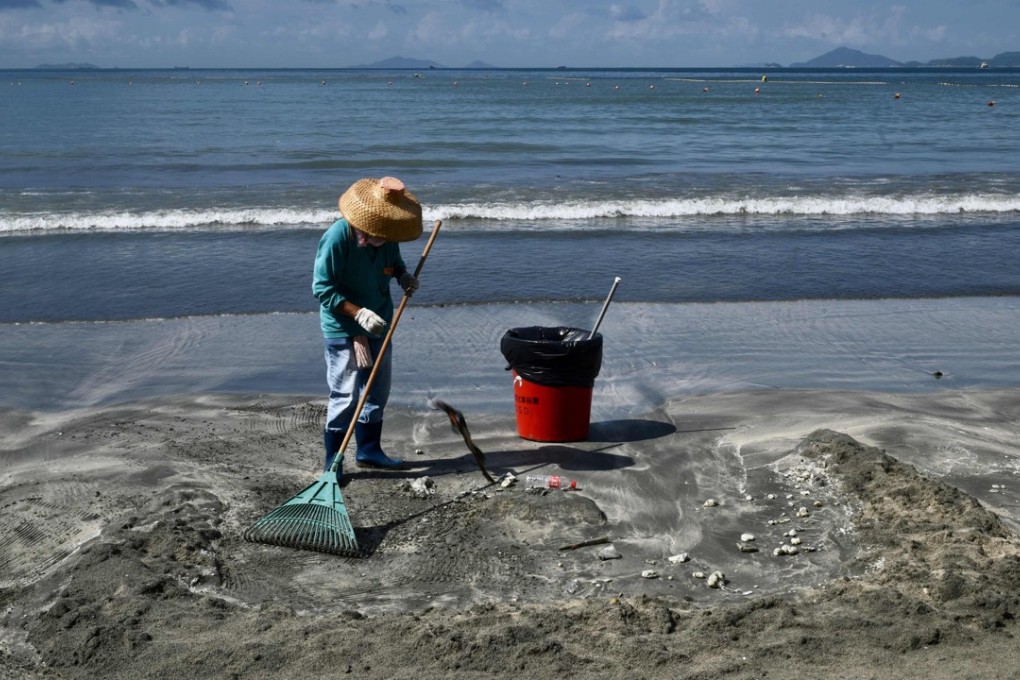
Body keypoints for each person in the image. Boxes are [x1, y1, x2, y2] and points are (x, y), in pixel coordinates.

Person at [312, 176, 422, 482]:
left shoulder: (388, 236)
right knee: (345, 395)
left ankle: (369, 450)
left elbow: (395, 264)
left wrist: (403, 277)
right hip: (343, 325)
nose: (382, 237)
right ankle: (332, 463)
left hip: (380, 323)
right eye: (377, 232)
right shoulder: (337, 237)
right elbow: (321, 288)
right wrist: (358, 314)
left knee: (377, 390)